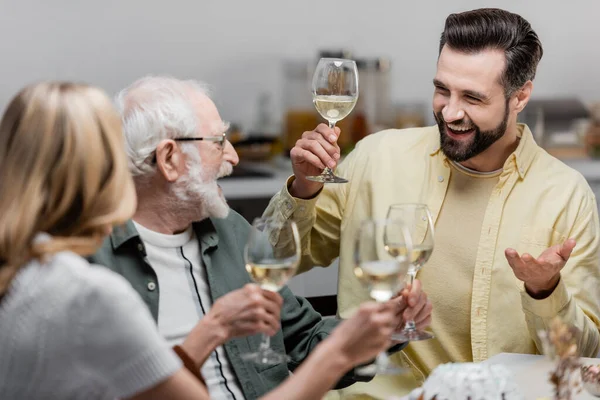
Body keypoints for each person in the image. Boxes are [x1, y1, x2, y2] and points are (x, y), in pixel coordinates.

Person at [262, 7, 600, 399]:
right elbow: (272, 261)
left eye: (473, 97)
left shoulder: (564, 194)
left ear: (520, 95)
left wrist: (546, 290)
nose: (451, 112)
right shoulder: (377, 157)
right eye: (442, 90)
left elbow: (581, 358)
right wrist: (304, 187)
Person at [0, 81, 411, 400]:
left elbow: (302, 338)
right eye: (219, 142)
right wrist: (213, 329)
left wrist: (382, 328)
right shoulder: (90, 285)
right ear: (169, 159)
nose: (233, 156)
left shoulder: (230, 229)